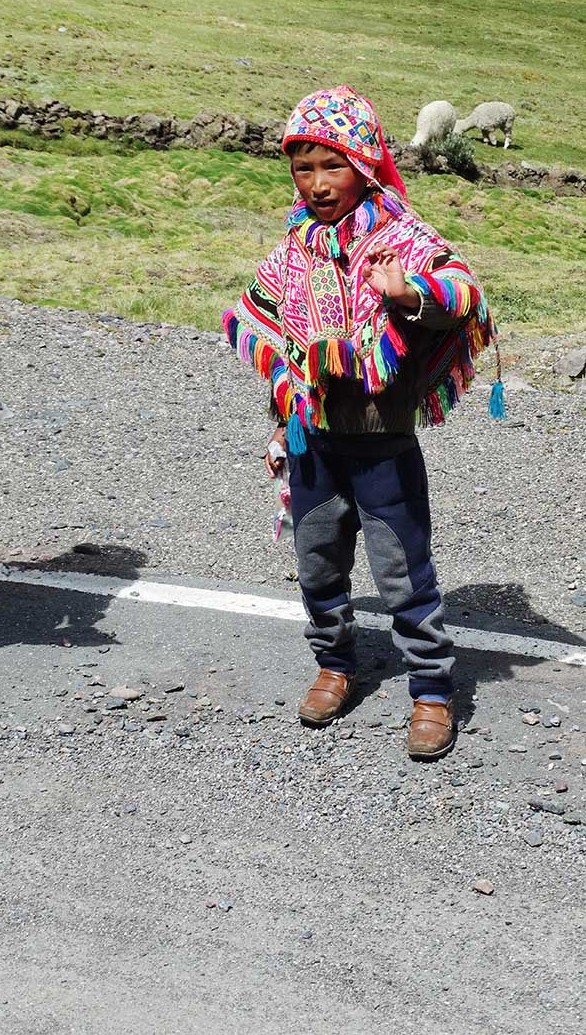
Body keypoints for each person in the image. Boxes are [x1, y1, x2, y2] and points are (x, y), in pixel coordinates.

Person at [223, 84, 502, 760]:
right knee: (316, 562)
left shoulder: (402, 237)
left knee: (403, 570)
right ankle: (334, 664)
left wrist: (407, 291)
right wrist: (278, 426)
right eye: (303, 166)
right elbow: (275, 338)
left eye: (332, 165)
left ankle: (433, 692)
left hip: (382, 441)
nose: (317, 184)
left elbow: (464, 293)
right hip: (312, 440)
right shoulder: (296, 249)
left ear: (366, 160)